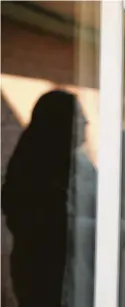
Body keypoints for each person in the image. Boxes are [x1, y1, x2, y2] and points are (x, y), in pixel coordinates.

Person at [1, 90, 86, 307]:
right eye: (78, 116)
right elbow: (43, 222)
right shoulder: (33, 168)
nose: (86, 122)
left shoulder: (78, 164)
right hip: (43, 273)